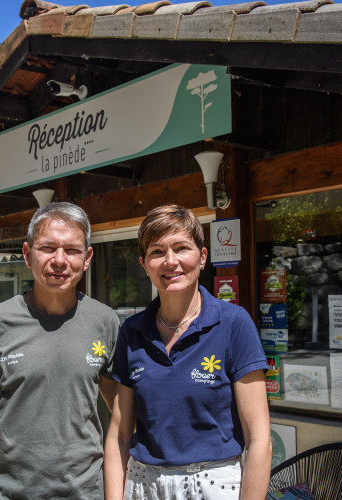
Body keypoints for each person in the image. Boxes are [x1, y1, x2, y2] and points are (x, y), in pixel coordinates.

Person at [0, 202, 120, 500]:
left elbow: (121, 411)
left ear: (87, 258)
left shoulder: (105, 322)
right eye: (47, 248)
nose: (59, 260)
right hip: (8, 493)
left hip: (86, 492)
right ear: (27, 254)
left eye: (72, 250)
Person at [104, 204, 272, 500]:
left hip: (213, 485)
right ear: (144, 264)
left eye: (182, 248)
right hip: (143, 485)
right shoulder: (132, 331)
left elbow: (259, 439)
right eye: (157, 252)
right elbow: (119, 435)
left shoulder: (233, 324)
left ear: (203, 257)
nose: (171, 261)